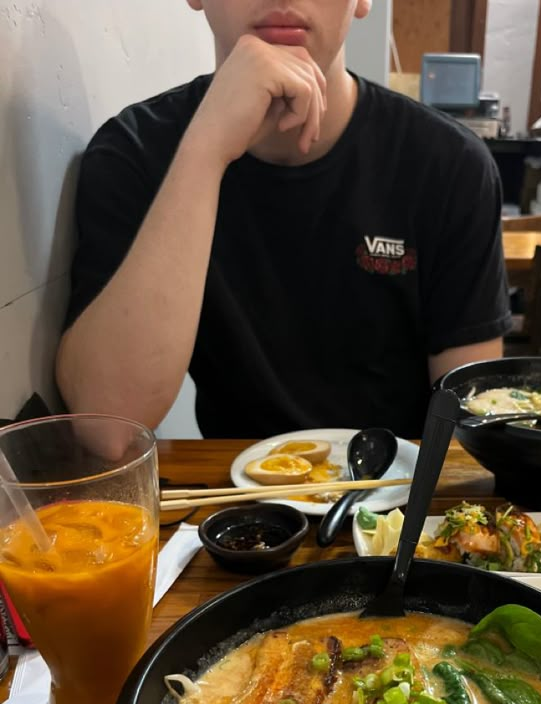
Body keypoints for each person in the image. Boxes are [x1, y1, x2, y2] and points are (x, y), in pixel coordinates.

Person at [57, 1, 511, 439]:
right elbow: (107, 428)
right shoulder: (134, 153)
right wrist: (206, 150)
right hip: (229, 502)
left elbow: (470, 422)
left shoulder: (450, 165)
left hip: (402, 497)